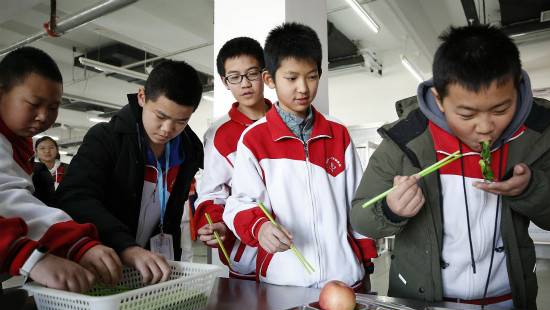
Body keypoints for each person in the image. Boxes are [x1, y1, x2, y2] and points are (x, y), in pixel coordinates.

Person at [350, 25, 550, 310]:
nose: (485, 127)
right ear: (439, 100)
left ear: (517, 89)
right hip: (423, 305)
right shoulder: (407, 138)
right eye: (467, 114)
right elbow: (361, 216)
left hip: (507, 305)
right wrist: (391, 210)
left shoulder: (537, 134)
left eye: (501, 110)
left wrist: (531, 189)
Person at [223, 23, 376, 288]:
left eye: (312, 76)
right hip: (284, 282)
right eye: (292, 78)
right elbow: (240, 203)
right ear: (270, 79)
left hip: (344, 278)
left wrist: (365, 261)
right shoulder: (254, 140)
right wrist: (260, 227)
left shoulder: (338, 134)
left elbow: (357, 203)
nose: (303, 88)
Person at [57, 60, 204, 284]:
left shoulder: (187, 152)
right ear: (142, 97)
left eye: (181, 121)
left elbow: (171, 219)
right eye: (161, 116)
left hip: (148, 269)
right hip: (98, 265)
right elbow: (75, 197)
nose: (167, 130)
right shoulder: (106, 139)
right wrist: (125, 246)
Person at [0, 46, 121, 292]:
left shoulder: (16, 141)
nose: (43, 116)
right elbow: (7, 200)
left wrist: (71, 243)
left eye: (54, 107)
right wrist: (32, 255)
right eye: (34, 104)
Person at [194, 37, 271, 279]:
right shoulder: (219, 135)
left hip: (296, 247)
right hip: (248, 254)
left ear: (265, 74)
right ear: (225, 82)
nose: (245, 84)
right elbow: (212, 194)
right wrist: (215, 223)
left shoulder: (286, 121)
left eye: (252, 74)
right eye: (234, 77)